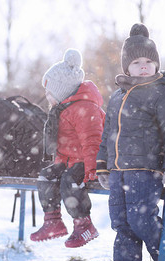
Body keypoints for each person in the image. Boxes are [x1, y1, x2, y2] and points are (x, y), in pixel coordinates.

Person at [96, 23, 165, 261]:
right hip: (118, 171)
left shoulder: (162, 92)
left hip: (146, 169)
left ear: (157, 64)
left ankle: (164, 257)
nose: (144, 66)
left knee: (141, 218)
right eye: (137, 62)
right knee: (122, 222)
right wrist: (103, 166)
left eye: (149, 61)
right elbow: (107, 134)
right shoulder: (116, 97)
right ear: (127, 68)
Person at [30, 48, 105, 248]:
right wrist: (57, 165)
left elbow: (93, 141)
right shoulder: (61, 111)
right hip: (73, 161)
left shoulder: (84, 108)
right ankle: (53, 221)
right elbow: (63, 147)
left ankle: (84, 225)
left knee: (70, 180)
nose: (46, 96)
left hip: (91, 161)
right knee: (47, 175)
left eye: (49, 92)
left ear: (62, 91)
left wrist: (93, 169)